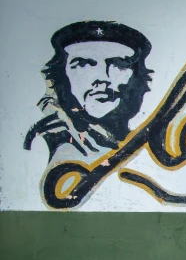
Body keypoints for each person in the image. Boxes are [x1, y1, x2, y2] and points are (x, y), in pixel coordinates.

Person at [23, 20, 153, 162]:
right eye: (83, 64)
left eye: (119, 64)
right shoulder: (43, 141)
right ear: (62, 75)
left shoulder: (140, 146)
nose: (102, 77)